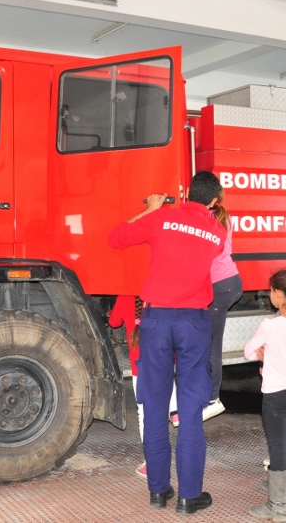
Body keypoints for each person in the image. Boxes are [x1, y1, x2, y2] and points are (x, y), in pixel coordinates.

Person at [107, 171, 226, 515]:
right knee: (189, 412)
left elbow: (117, 238)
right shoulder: (217, 232)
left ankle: (158, 492)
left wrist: (151, 209)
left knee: (155, 408)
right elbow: (209, 243)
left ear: (186, 194)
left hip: (155, 321)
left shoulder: (163, 217)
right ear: (215, 201)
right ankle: (190, 497)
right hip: (193, 322)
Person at [244, 269, 286, 521]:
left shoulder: (269, 325)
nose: (269, 294)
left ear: (281, 296)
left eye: (271, 290)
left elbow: (249, 351)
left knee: (277, 447)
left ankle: (277, 506)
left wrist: (260, 352)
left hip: (275, 392)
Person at [108, 295, 180, 479]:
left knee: (144, 414)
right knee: (165, 385)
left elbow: (114, 322)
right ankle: (174, 409)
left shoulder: (124, 298)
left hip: (140, 367)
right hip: (163, 360)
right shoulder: (158, 294)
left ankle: (152, 464)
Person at [205, 189, 243, 421]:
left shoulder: (208, 220)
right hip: (230, 281)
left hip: (220, 285)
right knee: (209, 341)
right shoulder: (224, 216)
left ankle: (213, 398)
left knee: (212, 344)